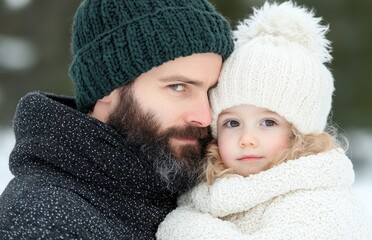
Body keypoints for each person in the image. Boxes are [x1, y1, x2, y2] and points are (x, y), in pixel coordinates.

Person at [0, 0, 234, 239]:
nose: (204, 117)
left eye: (210, 91)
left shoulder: (194, 195)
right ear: (107, 87)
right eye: (178, 87)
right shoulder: (44, 220)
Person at [156, 2, 372, 239]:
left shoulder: (316, 201)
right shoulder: (210, 192)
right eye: (232, 123)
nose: (247, 139)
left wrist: (184, 227)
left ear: (299, 133)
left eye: (268, 123)